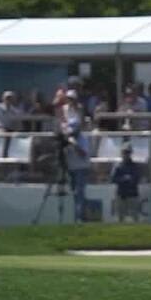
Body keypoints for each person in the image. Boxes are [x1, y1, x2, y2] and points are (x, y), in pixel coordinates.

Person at [61, 91, 92, 221]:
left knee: (80, 193)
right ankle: (76, 218)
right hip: (71, 168)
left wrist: (74, 144)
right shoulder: (68, 138)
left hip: (81, 168)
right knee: (75, 194)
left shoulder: (82, 138)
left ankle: (79, 219)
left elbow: (83, 153)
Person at [111, 145, 143, 223]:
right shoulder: (117, 166)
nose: (126, 154)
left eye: (128, 152)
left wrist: (129, 179)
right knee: (120, 217)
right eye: (124, 152)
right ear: (121, 153)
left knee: (135, 217)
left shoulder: (134, 166)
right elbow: (113, 179)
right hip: (121, 194)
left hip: (132, 194)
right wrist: (124, 179)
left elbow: (137, 178)